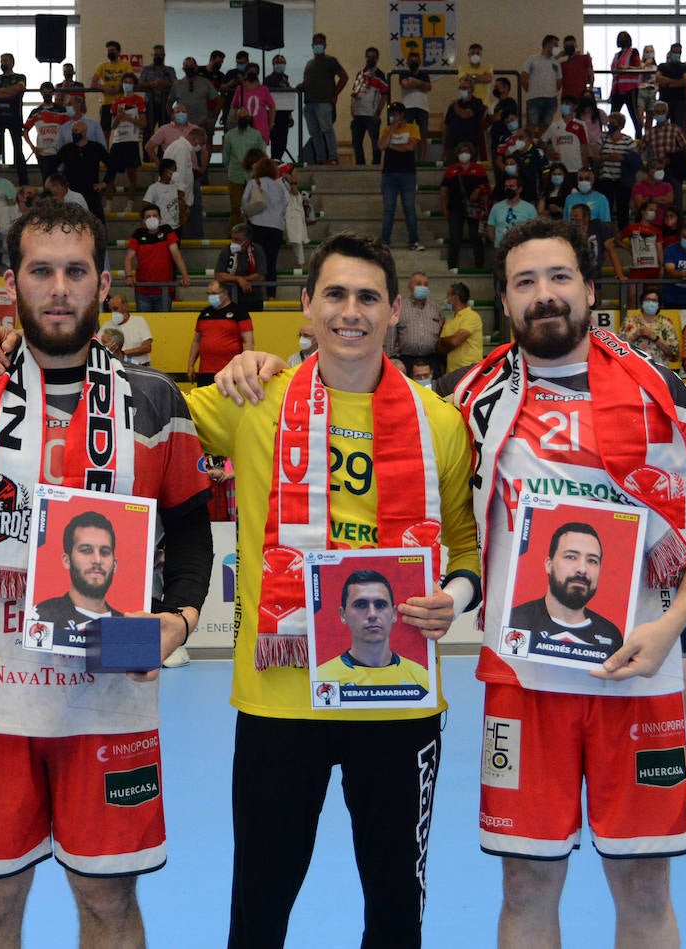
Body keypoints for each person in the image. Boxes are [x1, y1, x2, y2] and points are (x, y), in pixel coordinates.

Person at [454, 216, 686, 947]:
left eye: (558, 278)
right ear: (505, 300)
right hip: (522, 685)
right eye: (525, 282)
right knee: (525, 882)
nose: (544, 295)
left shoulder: (658, 387)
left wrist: (667, 628)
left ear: (589, 289)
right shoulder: (471, 397)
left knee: (645, 886)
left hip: (636, 680)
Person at [188, 231, 480, 948]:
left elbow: (468, 550)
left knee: (394, 908)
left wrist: (456, 596)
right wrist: (11, 345)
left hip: (399, 699)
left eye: (368, 297)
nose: (351, 311)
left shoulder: (438, 421)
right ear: (307, 309)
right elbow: (143, 410)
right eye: (336, 295)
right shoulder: (253, 399)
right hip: (278, 700)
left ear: (391, 315)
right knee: (259, 904)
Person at [0, 199, 213, 947]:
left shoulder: (155, 400)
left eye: (75, 271)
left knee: (107, 905)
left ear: (103, 283)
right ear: (12, 283)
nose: (58, 288)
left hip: (110, 698)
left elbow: (190, 531)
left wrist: (181, 619)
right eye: (41, 271)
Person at [507, 523, 624, 659]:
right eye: (571, 557)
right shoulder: (515, 621)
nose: (582, 569)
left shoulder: (611, 635)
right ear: (549, 565)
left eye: (592, 561)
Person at [312, 570, 434, 688]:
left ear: (394, 613)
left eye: (380, 605)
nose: (372, 614)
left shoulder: (421, 678)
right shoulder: (322, 678)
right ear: (343, 614)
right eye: (361, 605)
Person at [33, 511, 126, 628]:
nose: (97, 560)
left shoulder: (126, 625)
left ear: (115, 564)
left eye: (105, 552)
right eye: (86, 550)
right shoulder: (41, 616)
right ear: (67, 561)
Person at [124, 203, 190, 312]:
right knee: (144, 325)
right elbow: (128, 258)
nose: (151, 218)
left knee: (163, 326)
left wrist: (185, 275)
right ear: (143, 221)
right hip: (142, 291)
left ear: (160, 219)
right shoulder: (138, 234)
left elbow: (176, 255)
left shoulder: (167, 231)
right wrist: (128, 276)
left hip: (164, 290)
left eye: (154, 216)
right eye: (148, 217)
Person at [188, 279, 253, 384]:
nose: (210, 297)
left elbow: (248, 342)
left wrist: (246, 367)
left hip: (230, 371)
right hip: (205, 372)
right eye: (208, 294)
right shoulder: (204, 314)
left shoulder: (240, 312)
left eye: (214, 293)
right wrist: (191, 365)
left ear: (225, 293)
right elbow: (196, 341)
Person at [378, 103, 424, 251]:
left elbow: (410, 147)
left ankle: (414, 241)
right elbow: (380, 146)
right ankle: (385, 241)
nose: (394, 116)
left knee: (409, 208)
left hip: (407, 174)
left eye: (396, 114)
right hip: (389, 175)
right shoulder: (386, 129)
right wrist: (392, 129)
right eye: (392, 114)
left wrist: (391, 146)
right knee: (388, 209)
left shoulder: (412, 128)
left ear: (402, 114)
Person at [299, 33, 349, 164]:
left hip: (324, 102)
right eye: (315, 43)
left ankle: (333, 157)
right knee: (314, 133)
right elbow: (309, 82)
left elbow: (344, 77)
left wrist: (335, 94)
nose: (318, 46)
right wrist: (301, 86)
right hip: (309, 103)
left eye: (320, 43)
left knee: (327, 130)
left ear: (325, 45)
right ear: (312, 46)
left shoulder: (331, 61)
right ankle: (320, 159)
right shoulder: (309, 64)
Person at [440, 143, 489, 271]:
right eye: (462, 151)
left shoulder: (479, 169)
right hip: (455, 208)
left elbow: (487, 187)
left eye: (467, 151)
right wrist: (444, 207)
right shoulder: (451, 170)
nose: (464, 153)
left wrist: (478, 191)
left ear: (471, 153)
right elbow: (444, 190)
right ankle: (452, 266)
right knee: (455, 238)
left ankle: (479, 265)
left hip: (475, 208)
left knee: (476, 238)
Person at [243, 157, 288, 292]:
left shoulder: (253, 183)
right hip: (276, 228)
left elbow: (245, 204)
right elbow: (285, 207)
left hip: (257, 226)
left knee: (255, 262)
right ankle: (271, 295)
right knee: (271, 262)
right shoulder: (280, 186)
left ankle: (256, 293)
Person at [394, 272, 445, 377]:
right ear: (409, 287)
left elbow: (442, 335)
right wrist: (392, 359)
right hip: (406, 361)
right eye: (418, 284)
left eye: (425, 284)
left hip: (432, 360)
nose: (422, 287)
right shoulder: (400, 308)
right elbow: (391, 337)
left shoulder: (436, 309)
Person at [0, 54, 28, 184]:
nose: (2, 63)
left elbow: (19, 89)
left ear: (12, 63)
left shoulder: (20, 77)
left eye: (5, 61)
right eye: (1, 61)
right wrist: (9, 93)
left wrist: (1, 92)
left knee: (18, 149)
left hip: (14, 118)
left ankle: (23, 182)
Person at [348, 47, 389, 166]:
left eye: (373, 57)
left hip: (372, 116)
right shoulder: (360, 74)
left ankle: (376, 166)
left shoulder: (380, 75)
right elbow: (354, 92)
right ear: (365, 57)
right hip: (358, 115)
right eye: (368, 56)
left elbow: (385, 95)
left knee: (375, 144)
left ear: (377, 59)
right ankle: (360, 166)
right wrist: (352, 107)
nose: (370, 59)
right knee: (356, 143)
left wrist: (378, 113)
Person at [215, 223, 267, 311]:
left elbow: (260, 276)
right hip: (228, 298)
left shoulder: (257, 250)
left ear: (247, 241)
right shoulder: (226, 250)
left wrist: (243, 279)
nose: (233, 242)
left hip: (253, 299)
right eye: (232, 239)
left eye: (237, 239)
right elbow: (219, 276)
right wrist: (238, 279)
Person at [619, 290, 679, 364]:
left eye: (654, 300)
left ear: (659, 304)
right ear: (642, 303)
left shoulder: (666, 323)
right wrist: (635, 335)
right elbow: (619, 346)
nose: (650, 303)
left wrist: (654, 337)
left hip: (658, 368)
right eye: (647, 300)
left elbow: (673, 353)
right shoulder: (630, 321)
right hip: (634, 366)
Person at [438, 282, 483, 373]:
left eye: (448, 295)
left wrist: (445, 341)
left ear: (456, 297)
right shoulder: (449, 322)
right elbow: (440, 349)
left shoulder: (472, 316)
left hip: (470, 371)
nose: (446, 299)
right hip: (452, 373)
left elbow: (454, 341)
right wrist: (449, 341)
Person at [521, 35, 563, 130]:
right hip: (534, 99)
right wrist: (532, 91)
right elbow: (523, 78)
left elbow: (559, 83)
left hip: (551, 100)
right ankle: (532, 145)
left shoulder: (556, 63)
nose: (557, 48)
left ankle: (542, 145)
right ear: (547, 45)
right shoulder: (532, 59)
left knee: (546, 129)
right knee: (532, 128)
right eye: (555, 45)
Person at [105, 294, 154, 366]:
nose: (113, 313)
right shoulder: (107, 324)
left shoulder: (139, 321)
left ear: (126, 307)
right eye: (111, 310)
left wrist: (122, 353)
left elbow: (147, 348)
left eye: (115, 309)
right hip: (117, 368)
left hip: (140, 367)